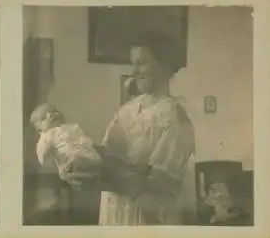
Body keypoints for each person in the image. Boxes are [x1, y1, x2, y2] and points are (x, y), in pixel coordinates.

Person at [98, 31, 196, 225]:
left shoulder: (176, 120)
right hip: (113, 211)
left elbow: (159, 187)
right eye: (133, 63)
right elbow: (107, 154)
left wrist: (109, 170)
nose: (134, 71)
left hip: (142, 220)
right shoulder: (126, 111)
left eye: (141, 63)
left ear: (165, 65)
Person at [28, 103, 103, 225]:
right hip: (70, 161)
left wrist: (88, 145)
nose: (51, 115)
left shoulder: (72, 127)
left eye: (53, 111)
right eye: (44, 117)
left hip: (85, 153)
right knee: (74, 164)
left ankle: (96, 166)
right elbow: (42, 155)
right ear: (40, 129)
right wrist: (46, 147)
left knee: (95, 159)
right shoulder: (48, 135)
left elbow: (82, 138)